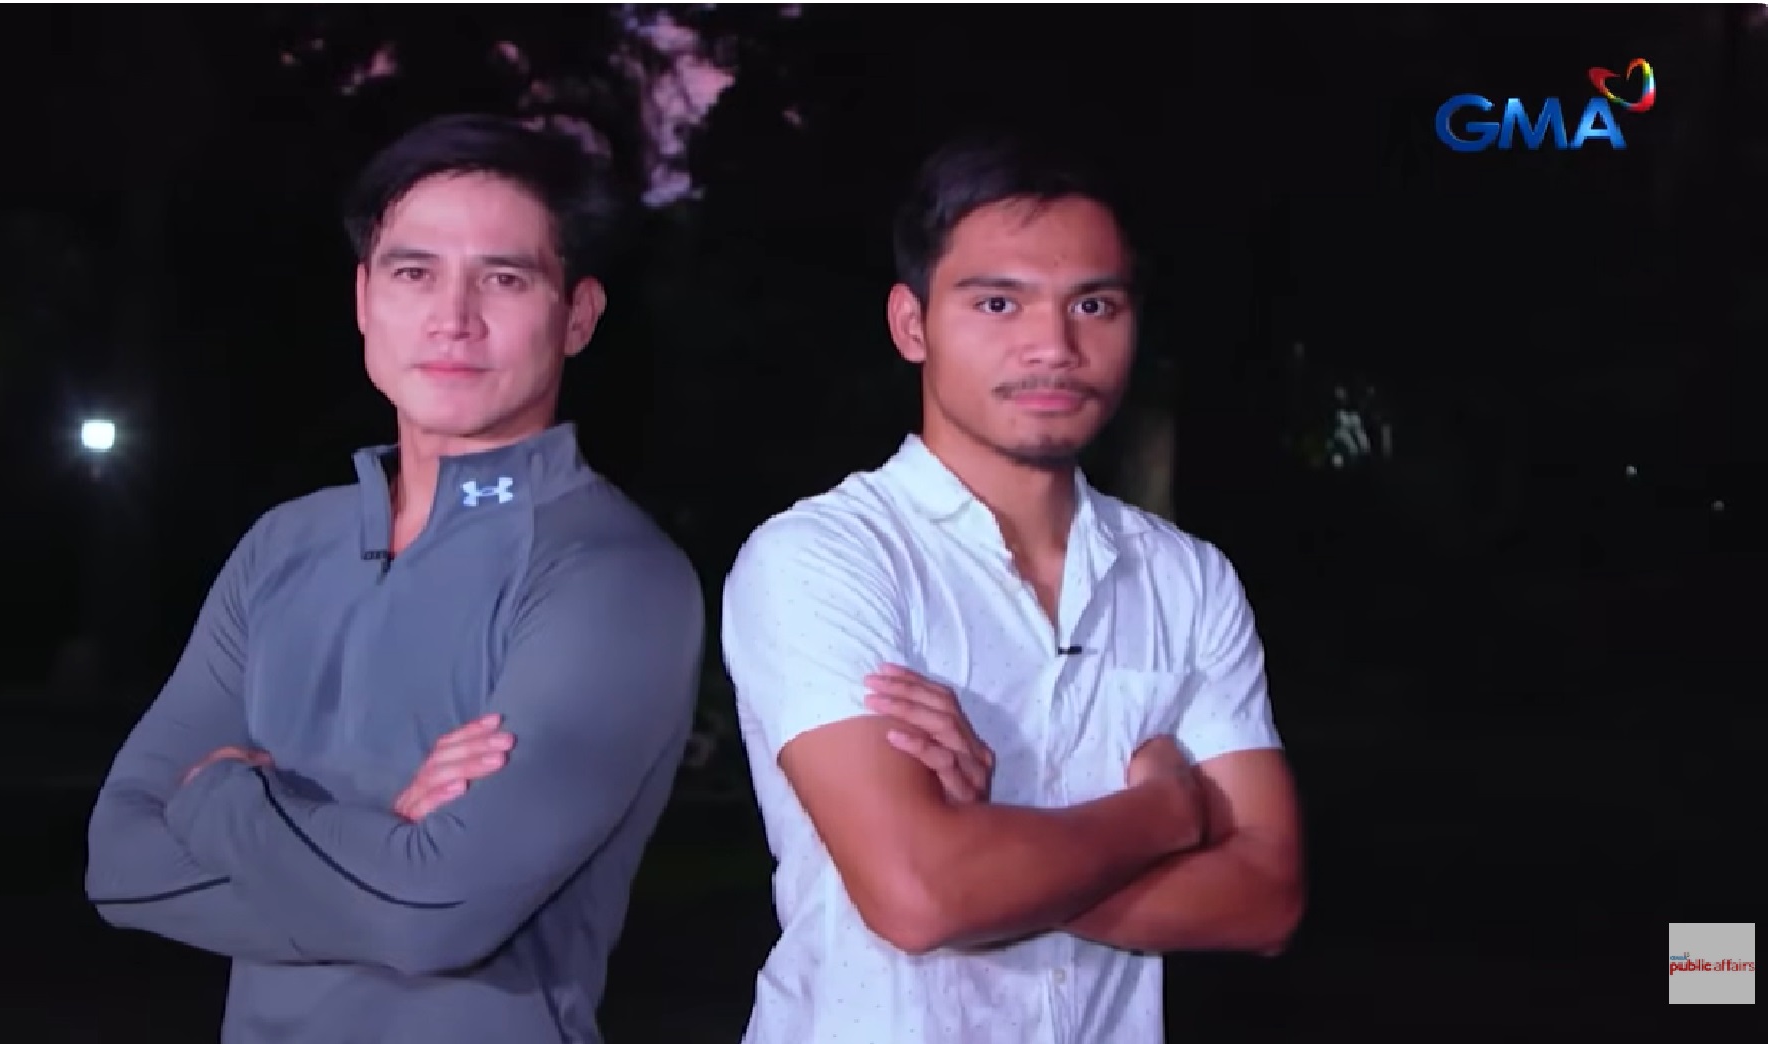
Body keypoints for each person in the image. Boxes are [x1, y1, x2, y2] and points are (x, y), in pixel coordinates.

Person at [83, 114, 705, 1044]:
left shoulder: (612, 574)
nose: (454, 317)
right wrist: (382, 858)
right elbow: (120, 864)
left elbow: (432, 915)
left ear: (578, 315)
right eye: (414, 274)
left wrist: (222, 795)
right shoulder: (284, 546)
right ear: (364, 299)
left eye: (504, 278)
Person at [720, 134, 1306, 1043]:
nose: (1053, 346)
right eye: (999, 302)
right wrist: (1163, 813)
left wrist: (989, 857)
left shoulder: (1186, 579)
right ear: (911, 324)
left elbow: (1266, 899)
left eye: (1094, 304)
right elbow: (920, 897)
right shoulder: (824, 557)